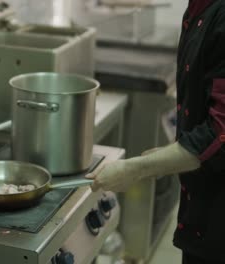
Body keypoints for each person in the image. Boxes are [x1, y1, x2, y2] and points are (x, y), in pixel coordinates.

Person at [85, 1, 225, 263]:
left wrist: (137, 169)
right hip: (201, 213)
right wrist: (171, 156)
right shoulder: (200, 8)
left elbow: (220, 134)